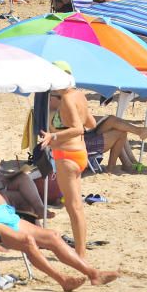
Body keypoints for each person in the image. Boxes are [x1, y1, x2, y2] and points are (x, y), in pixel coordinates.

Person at [0, 133, 119, 290]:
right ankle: (62, 279)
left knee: (53, 236)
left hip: (5, 215)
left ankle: (93, 273)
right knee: (27, 241)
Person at [39, 62, 95, 255]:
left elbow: (79, 128)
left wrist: (53, 136)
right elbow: (91, 123)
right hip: (79, 154)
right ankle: (81, 251)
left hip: (67, 156)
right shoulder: (79, 95)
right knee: (76, 206)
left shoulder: (68, 100)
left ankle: (80, 254)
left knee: (74, 208)